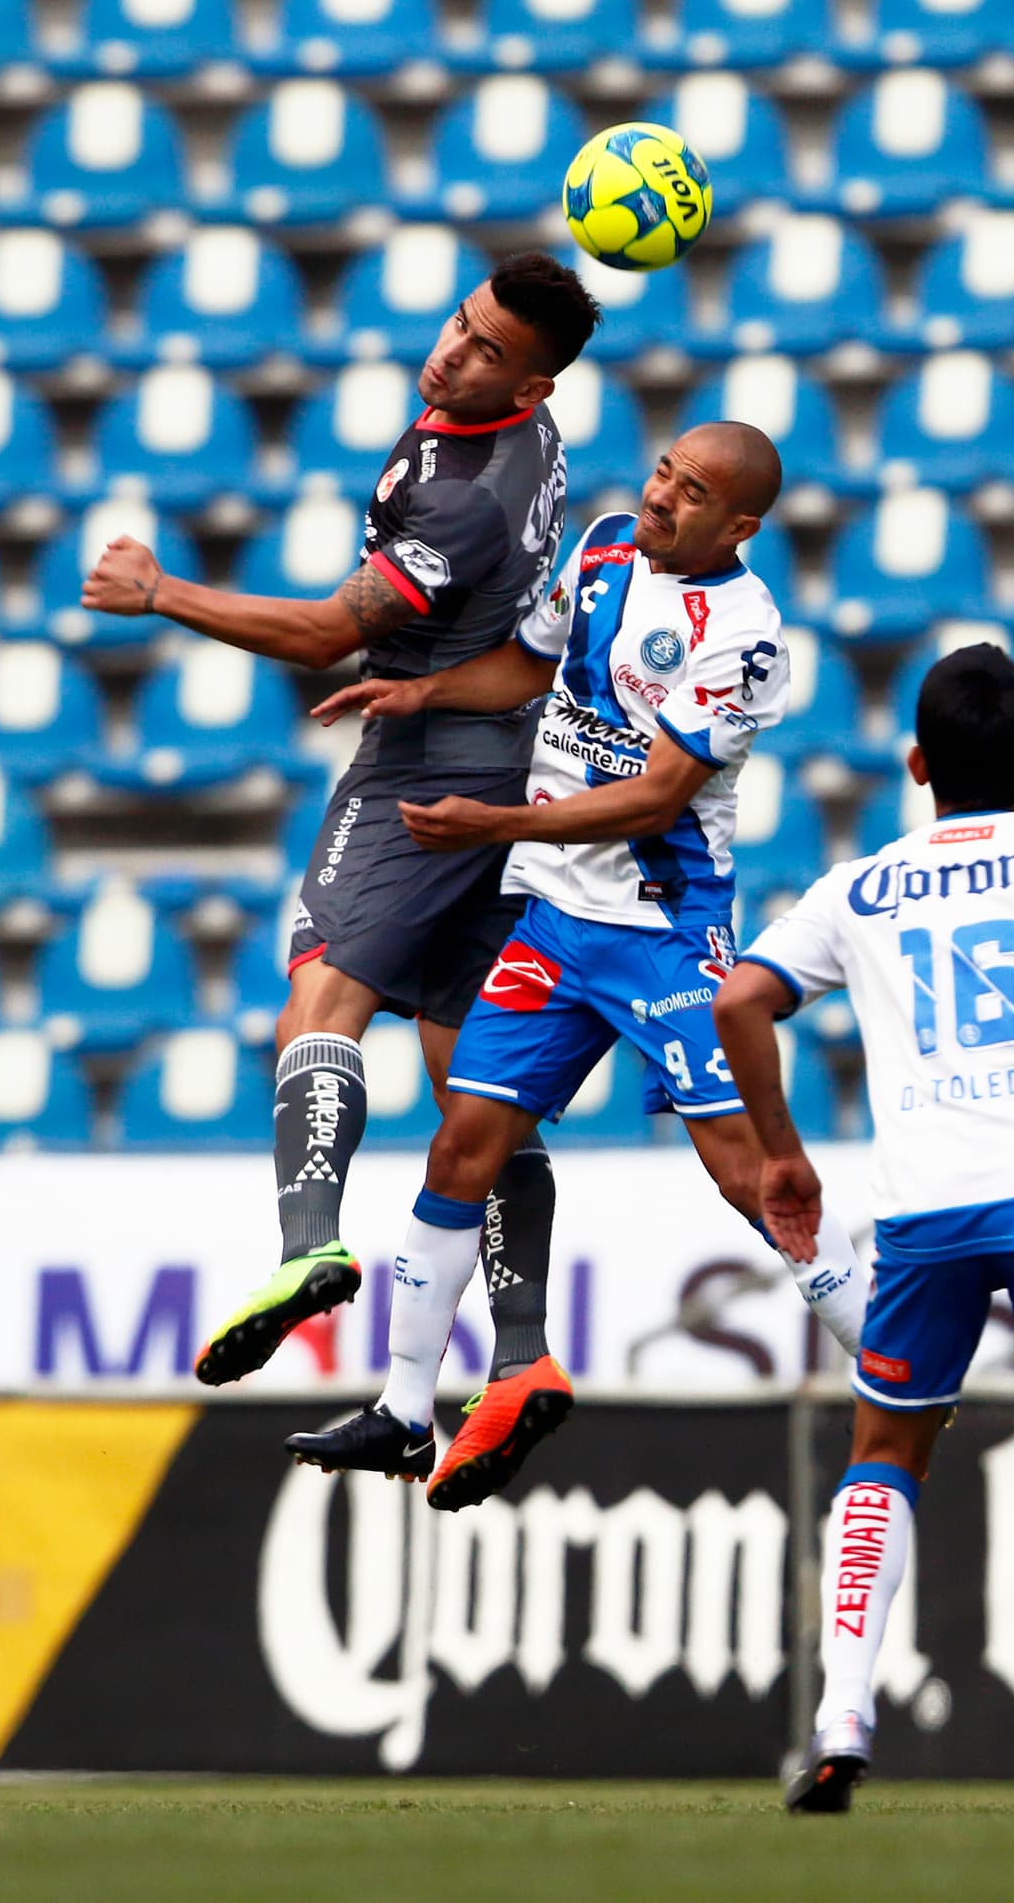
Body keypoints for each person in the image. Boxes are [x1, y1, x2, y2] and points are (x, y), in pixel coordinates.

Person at [283, 420, 871, 1506]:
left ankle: (890, 1357)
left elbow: (655, 796)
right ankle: (408, 1411)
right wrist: (421, 692)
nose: (661, 498)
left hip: (660, 934)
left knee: (748, 1178)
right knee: (463, 1146)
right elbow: (527, 662)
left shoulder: (744, 638)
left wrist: (492, 827)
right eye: (663, 473)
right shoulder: (602, 547)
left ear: (738, 526)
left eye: (691, 494)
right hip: (553, 923)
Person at [81, 252, 603, 1400]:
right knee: (476, 1077)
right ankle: (520, 1357)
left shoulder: (469, 497)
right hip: (509, 756)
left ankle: (309, 1241)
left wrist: (163, 592)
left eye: (485, 354)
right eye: (459, 327)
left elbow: (327, 634)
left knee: (320, 992)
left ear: (536, 391)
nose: (451, 354)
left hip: (424, 764)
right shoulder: (488, 426)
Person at [713, 643, 1014, 1818]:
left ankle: (838, 1718)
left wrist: (781, 1151)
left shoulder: (857, 884)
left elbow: (738, 998)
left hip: (924, 1208)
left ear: (916, 763)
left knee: (884, 1454)